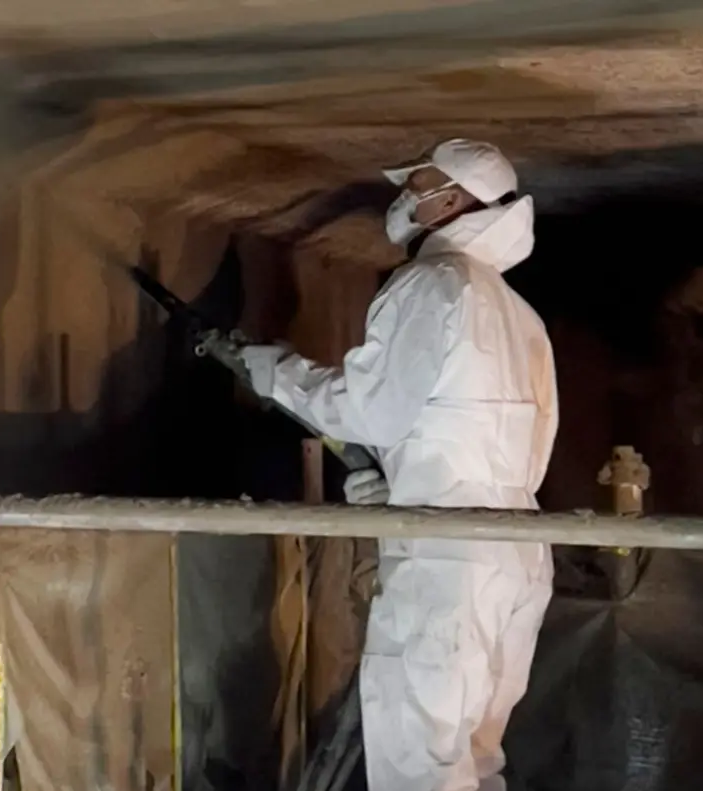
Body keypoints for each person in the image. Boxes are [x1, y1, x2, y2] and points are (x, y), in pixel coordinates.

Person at [221, 139, 558, 791]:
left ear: (455, 200)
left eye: (421, 185)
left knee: (419, 763)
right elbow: (496, 442)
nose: (406, 198)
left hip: (445, 559)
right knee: (475, 756)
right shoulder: (522, 316)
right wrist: (400, 489)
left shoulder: (433, 282)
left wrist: (277, 373)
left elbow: (372, 411)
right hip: (516, 553)